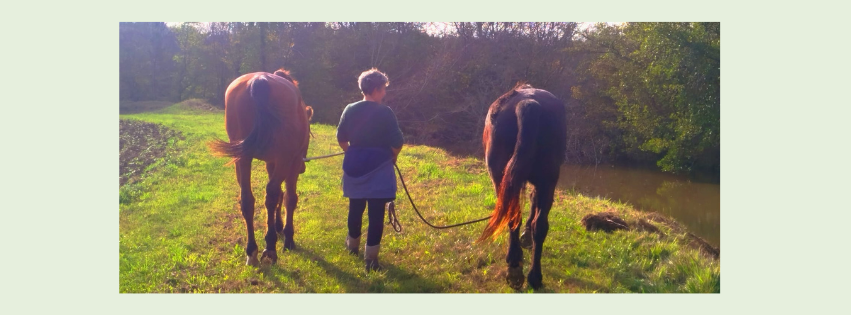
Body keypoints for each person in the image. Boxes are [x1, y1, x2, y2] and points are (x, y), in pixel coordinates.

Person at [336, 68, 404, 271]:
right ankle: (371, 260)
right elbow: (397, 142)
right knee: (376, 215)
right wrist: (392, 157)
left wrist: (352, 152)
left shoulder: (349, 109)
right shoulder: (385, 112)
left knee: (355, 209)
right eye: (383, 89)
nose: (384, 93)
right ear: (375, 89)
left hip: (354, 168)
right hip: (379, 169)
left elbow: (341, 138)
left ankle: (352, 247)